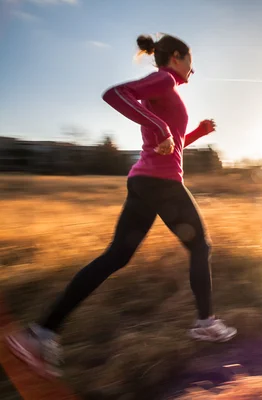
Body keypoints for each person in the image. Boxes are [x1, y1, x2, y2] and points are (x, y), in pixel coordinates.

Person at [5, 33, 237, 379]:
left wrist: (197, 133)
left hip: (144, 181)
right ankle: (205, 322)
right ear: (176, 57)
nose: (194, 69)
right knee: (200, 245)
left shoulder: (167, 90)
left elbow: (169, 145)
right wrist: (159, 127)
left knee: (115, 257)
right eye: (191, 60)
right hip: (161, 183)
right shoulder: (164, 79)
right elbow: (114, 94)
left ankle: (40, 333)